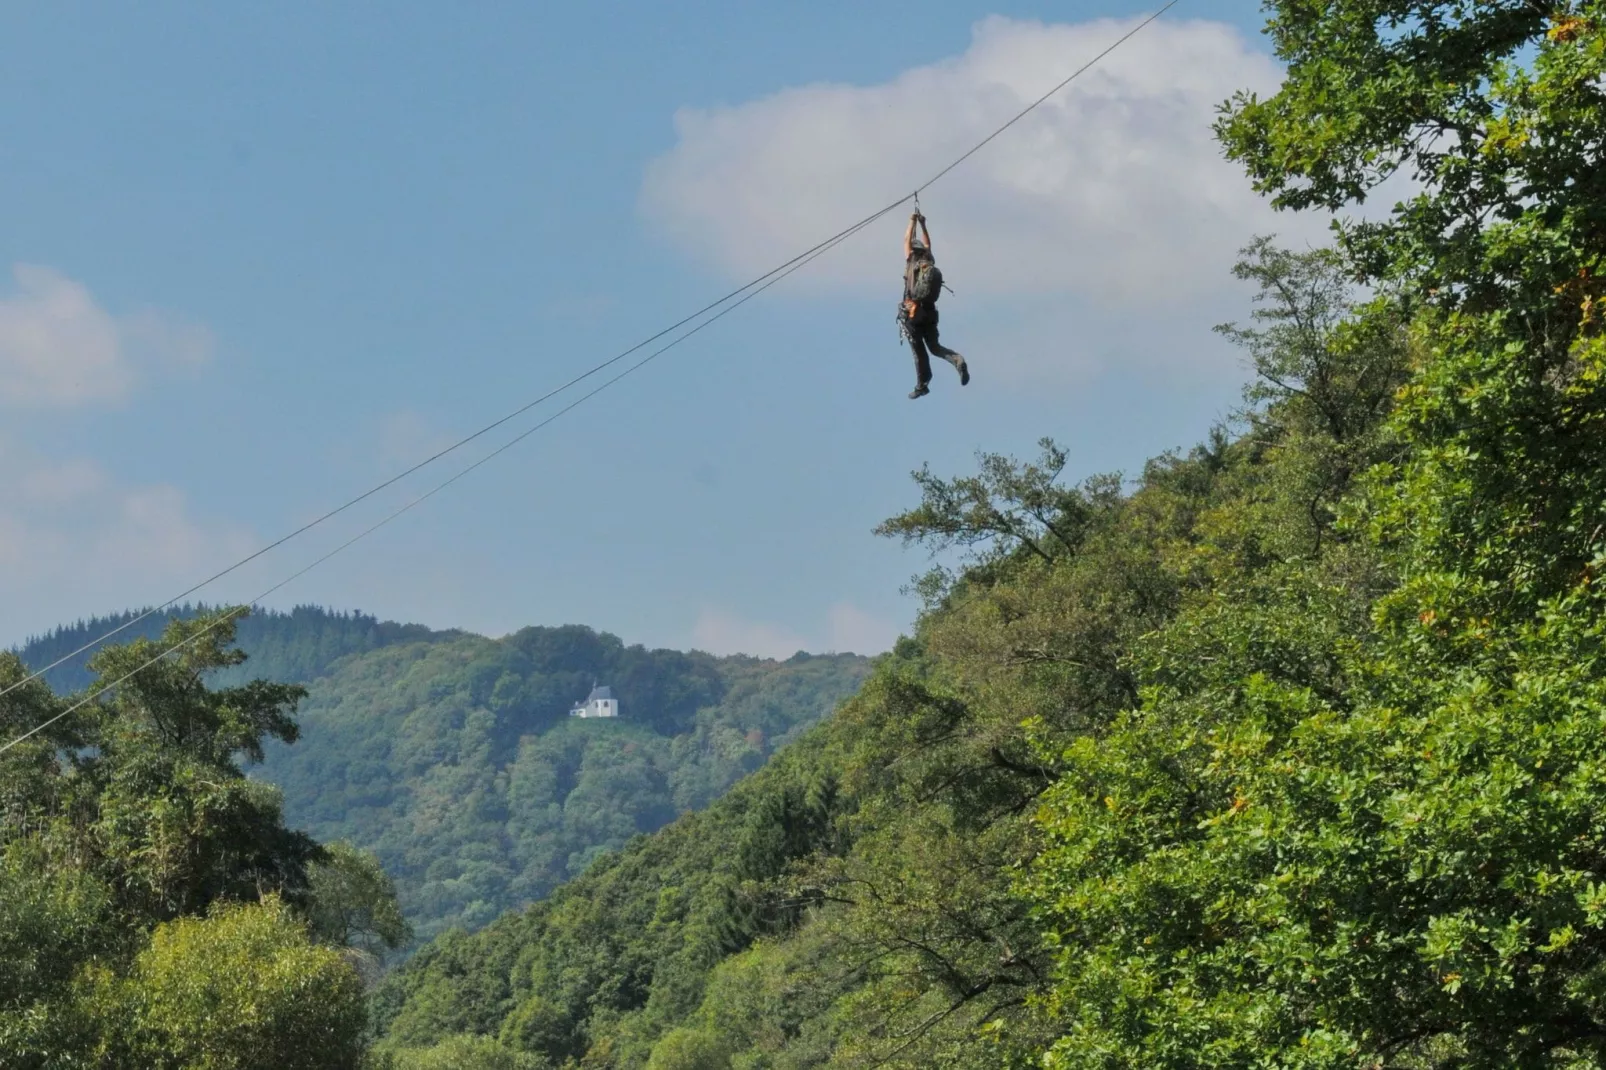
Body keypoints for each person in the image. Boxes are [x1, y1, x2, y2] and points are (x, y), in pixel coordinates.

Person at [899, 211, 969, 399]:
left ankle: (923, 384)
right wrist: (923, 225)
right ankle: (957, 361)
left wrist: (912, 220)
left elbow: (906, 238)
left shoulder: (911, 259)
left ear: (912, 250)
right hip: (930, 312)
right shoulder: (928, 259)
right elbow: (928, 243)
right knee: (935, 347)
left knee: (919, 350)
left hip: (914, 313)